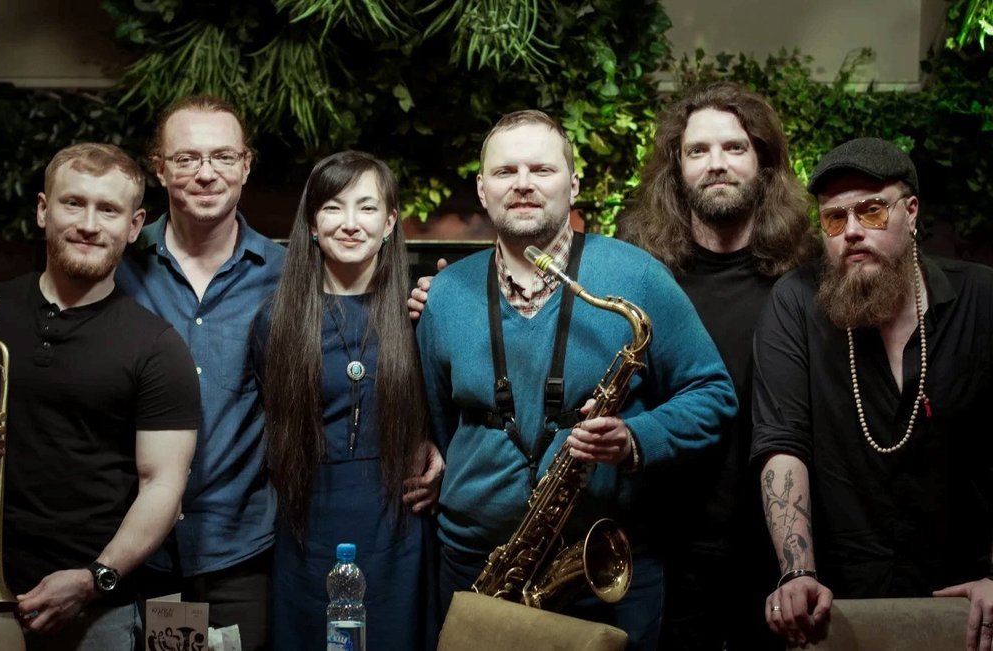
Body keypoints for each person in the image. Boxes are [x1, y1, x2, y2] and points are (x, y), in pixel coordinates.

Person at [415, 109, 738, 649]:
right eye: (505, 171)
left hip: (602, 565)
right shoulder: (445, 294)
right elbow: (439, 420)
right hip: (474, 564)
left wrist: (635, 438)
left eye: (542, 169)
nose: (523, 184)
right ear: (482, 189)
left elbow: (713, 394)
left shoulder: (638, 275)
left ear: (574, 184)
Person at [750, 137, 993, 650]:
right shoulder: (795, 303)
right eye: (834, 218)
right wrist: (797, 571)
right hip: (841, 605)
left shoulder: (982, 298)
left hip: (969, 599)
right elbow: (782, 442)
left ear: (912, 211)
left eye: (872, 211)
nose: (852, 231)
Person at [0, 143, 200, 650]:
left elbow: (162, 485)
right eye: (73, 203)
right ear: (42, 209)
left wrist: (96, 578)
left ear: (134, 226)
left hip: (95, 610)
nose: (89, 224)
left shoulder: (157, 347)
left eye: (109, 210)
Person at [616, 81, 816, 651]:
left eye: (734, 147)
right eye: (698, 150)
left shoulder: (808, 273)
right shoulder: (641, 272)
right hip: (667, 544)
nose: (717, 164)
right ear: (676, 168)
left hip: (777, 548)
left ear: (764, 162)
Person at [254, 150, 443, 651]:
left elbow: (450, 411)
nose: (351, 223)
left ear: (390, 222)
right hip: (307, 526)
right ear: (312, 224)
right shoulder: (276, 322)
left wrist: (439, 450)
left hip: (398, 524)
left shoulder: (421, 312)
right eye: (334, 208)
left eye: (367, 207)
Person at [116, 95, 285, 651]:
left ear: (246, 165)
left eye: (223, 156)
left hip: (239, 550)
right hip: (135, 550)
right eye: (187, 158)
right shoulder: (117, 264)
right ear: (159, 168)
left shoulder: (288, 276)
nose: (207, 173)